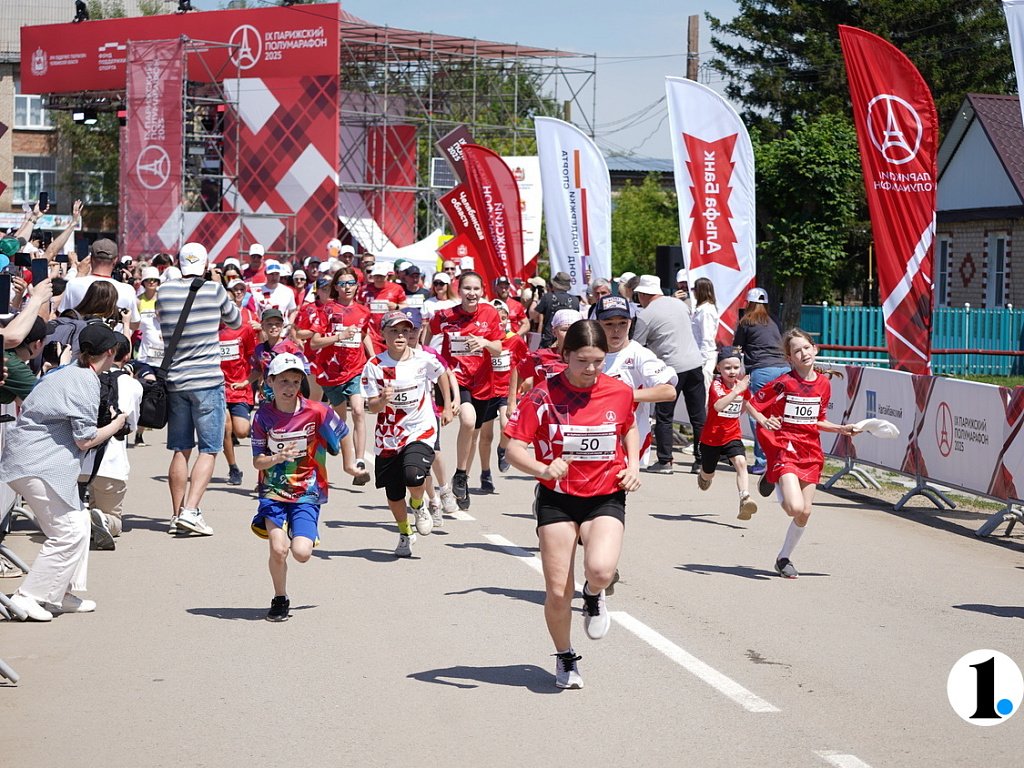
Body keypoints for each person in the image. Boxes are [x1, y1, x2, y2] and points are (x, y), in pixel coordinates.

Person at [503, 319, 641, 689]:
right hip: (558, 499)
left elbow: (627, 426)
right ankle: (565, 657)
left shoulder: (618, 391)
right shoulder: (543, 395)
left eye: (598, 360)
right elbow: (514, 448)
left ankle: (594, 596)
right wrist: (543, 468)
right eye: (583, 360)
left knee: (599, 570)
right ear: (565, 356)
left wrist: (634, 465)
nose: (592, 369)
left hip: (605, 493)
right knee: (558, 590)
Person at [0, 323, 128, 620]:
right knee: (69, 530)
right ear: (110, 352)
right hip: (37, 463)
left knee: (80, 523)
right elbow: (85, 438)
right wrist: (116, 425)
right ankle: (29, 596)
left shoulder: (69, 371)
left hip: (34, 462)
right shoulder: (85, 380)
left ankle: (57, 593)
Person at [250, 353, 369, 621]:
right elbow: (258, 462)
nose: (289, 388)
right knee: (278, 548)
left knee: (301, 553)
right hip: (274, 492)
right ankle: (280, 598)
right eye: (283, 381)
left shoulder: (317, 411)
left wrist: (350, 465)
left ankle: (303, 531)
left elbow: (343, 433)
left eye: (295, 381)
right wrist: (276, 458)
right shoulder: (263, 417)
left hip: (307, 492)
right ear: (270, 381)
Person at [750, 330, 854, 579]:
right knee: (793, 508)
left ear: (815, 349)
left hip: (811, 450)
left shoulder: (823, 383)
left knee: (805, 512)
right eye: (797, 351)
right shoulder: (784, 383)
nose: (803, 353)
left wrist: (841, 429)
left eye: (806, 348)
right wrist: (765, 420)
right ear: (790, 358)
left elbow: (818, 421)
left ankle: (783, 558)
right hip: (786, 446)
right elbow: (753, 404)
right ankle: (774, 472)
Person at [158, 242, 241, 536]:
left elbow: (161, 323)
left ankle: (177, 513)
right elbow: (236, 320)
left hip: (176, 379)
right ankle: (191, 511)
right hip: (206, 379)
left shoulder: (163, 291)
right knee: (210, 448)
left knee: (181, 449)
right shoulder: (213, 290)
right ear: (205, 265)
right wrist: (217, 283)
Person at [361, 311, 454, 557]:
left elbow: (442, 373)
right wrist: (382, 399)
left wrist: (447, 404)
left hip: (420, 429)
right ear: (383, 334)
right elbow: (371, 406)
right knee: (393, 495)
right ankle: (405, 533)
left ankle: (419, 505)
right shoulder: (374, 366)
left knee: (413, 476)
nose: (400, 335)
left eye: (405, 330)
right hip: (388, 436)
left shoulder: (423, 359)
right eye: (394, 331)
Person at [427, 271, 504, 509]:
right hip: (455, 377)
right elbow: (430, 331)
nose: (472, 293)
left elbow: (499, 348)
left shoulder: (490, 313)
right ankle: (460, 475)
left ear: (482, 292)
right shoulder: (446, 315)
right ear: (458, 290)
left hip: (482, 382)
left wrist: (485, 343)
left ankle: (462, 478)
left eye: (476, 289)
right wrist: (425, 355)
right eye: (467, 289)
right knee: (468, 421)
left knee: (474, 434)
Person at [632, 274, 706, 473]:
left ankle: (665, 461)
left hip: (671, 368)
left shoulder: (645, 316)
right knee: (698, 416)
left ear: (643, 294)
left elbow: (636, 346)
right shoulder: (680, 304)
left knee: (664, 416)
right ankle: (701, 461)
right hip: (695, 363)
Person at [593, 295, 677, 468]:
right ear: (597, 324)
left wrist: (623, 394)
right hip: (593, 435)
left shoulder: (639, 354)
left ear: (630, 323)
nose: (616, 330)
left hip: (628, 440)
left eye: (622, 323)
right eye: (609, 324)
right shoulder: (589, 352)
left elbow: (669, 391)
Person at [82, 333, 144, 549]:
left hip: (80, 461)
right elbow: (132, 427)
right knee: (115, 520)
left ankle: (90, 521)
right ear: (127, 356)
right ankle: (105, 521)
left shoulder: (84, 377)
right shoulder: (133, 385)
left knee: (89, 505)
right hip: (111, 465)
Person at [310, 269, 372, 478]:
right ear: (336, 287)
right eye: (343, 283)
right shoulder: (327, 309)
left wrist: (373, 358)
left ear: (357, 286)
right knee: (340, 419)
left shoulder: (363, 311)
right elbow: (315, 341)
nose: (347, 287)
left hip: (356, 368)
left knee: (358, 411)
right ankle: (333, 440)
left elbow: (364, 335)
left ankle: (360, 461)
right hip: (331, 372)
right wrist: (339, 336)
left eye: (351, 283)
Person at [696, 347, 759, 521]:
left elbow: (748, 404)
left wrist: (762, 419)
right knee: (708, 474)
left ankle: (744, 497)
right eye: (727, 368)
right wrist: (736, 391)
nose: (732, 372)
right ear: (719, 369)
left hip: (732, 435)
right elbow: (717, 406)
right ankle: (703, 474)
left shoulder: (740, 385)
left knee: (741, 462)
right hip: (711, 438)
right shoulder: (716, 385)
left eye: (736, 367)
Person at [733, 287, 789, 475]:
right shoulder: (775, 320)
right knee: (780, 414)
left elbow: (737, 347)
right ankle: (782, 458)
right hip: (783, 369)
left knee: (758, 415)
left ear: (748, 303)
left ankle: (762, 461)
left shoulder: (746, 321)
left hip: (761, 370)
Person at [481, 300, 529, 484]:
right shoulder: (483, 338)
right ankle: (485, 473)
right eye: (495, 318)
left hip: (506, 391)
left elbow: (525, 364)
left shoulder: (515, 339)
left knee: (506, 425)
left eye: (502, 318)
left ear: (507, 319)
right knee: (486, 436)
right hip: (486, 391)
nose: (499, 322)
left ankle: (502, 448)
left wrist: (521, 387)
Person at [58, 238, 141, 332]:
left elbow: (62, 317)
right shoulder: (127, 290)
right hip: (114, 344)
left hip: (79, 343)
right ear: (115, 260)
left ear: (91, 259)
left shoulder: (73, 284)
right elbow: (134, 324)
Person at [219, 307, 259, 486]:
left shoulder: (245, 330)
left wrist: (250, 381)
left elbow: (255, 357)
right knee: (225, 427)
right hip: (217, 388)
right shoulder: (210, 331)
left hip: (240, 388)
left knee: (241, 431)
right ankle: (233, 467)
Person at [530, 271, 580, 348]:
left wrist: (535, 299)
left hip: (549, 342)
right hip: (570, 342)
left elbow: (532, 315)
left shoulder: (547, 297)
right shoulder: (575, 300)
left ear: (554, 284)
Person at [692, 277, 720, 390]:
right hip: (700, 354)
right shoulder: (702, 309)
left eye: (695, 289)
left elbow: (706, 337)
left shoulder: (706, 311)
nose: (693, 292)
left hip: (705, 356)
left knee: (704, 390)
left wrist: (701, 360)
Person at [136, 266, 163, 366]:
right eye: (148, 280)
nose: (151, 282)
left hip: (160, 343)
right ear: (143, 282)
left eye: (154, 280)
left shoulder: (162, 299)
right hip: (141, 342)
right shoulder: (138, 301)